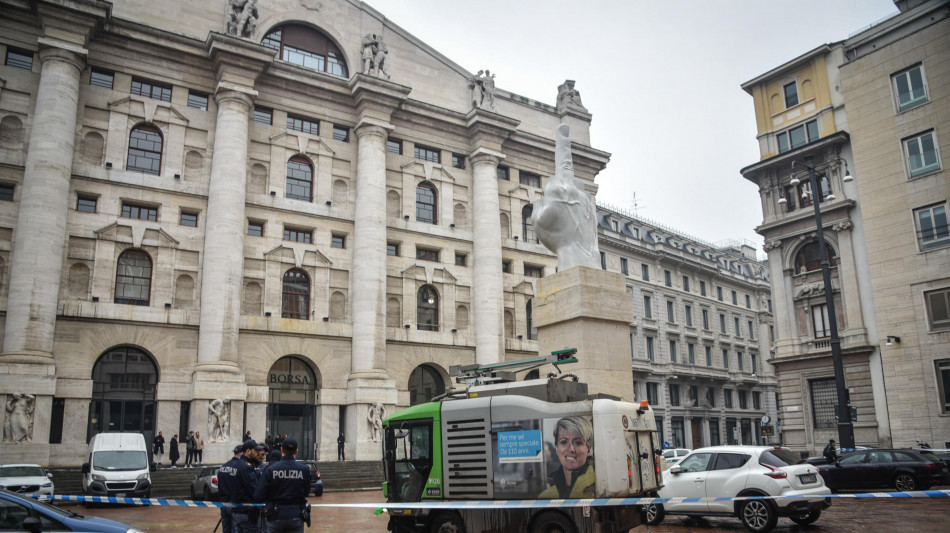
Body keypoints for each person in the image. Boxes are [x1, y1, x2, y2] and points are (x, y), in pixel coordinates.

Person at [255, 437, 312, 533]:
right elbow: (306, 491)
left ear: (281, 450)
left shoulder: (270, 469)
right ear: (296, 451)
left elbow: (258, 495)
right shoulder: (304, 469)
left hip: (275, 515)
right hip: (296, 514)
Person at [539, 417, 596, 498]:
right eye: (564, 442)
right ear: (556, 448)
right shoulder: (545, 491)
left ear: (588, 449)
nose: (571, 449)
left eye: (578, 443)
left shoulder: (599, 482)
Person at [230, 440, 263, 533]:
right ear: (248, 451)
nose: (258, 453)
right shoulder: (246, 467)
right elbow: (254, 489)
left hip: (237, 510)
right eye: (256, 450)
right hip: (247, 512)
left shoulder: (236, 465)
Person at [217, 444, 245, 533]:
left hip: (223, 502)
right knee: (234, 529)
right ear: (242, 453)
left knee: (225, 529)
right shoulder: (239, 467)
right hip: (234, 503)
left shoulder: (223, 466)